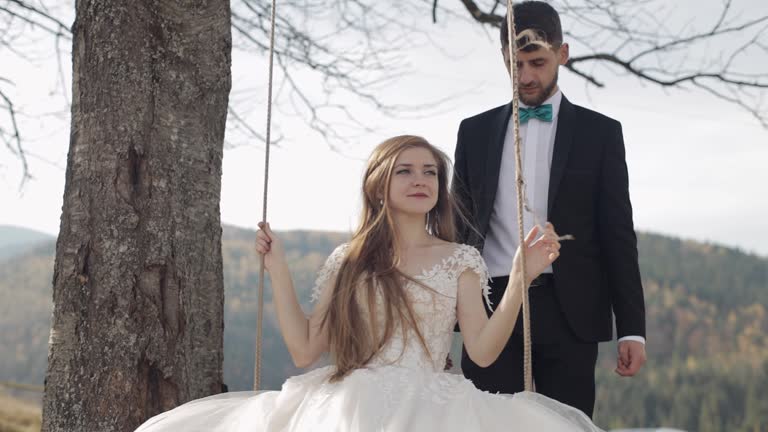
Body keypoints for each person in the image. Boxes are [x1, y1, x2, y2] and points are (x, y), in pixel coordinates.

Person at [135, 135, 603, 431]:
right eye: (405, 170)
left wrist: (520, 277)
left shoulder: (461, 258)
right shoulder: (351, 260)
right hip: (349, 402)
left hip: (435, 404)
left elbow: (480, 351)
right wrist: (278, 267)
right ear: (379, 184)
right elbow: (304, 349)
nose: (421, 180)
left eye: (430, 173)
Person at [452, 1, 647, 418]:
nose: (524, 76)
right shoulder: (474, 132)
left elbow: (617, 234)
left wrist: (631, 327)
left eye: (536, 62)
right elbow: (458, 232)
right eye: (514, 64)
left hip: (571, 307)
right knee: (486, 424)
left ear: (563, 53)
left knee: (567, 425)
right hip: (490, 305)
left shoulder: (602, 134)